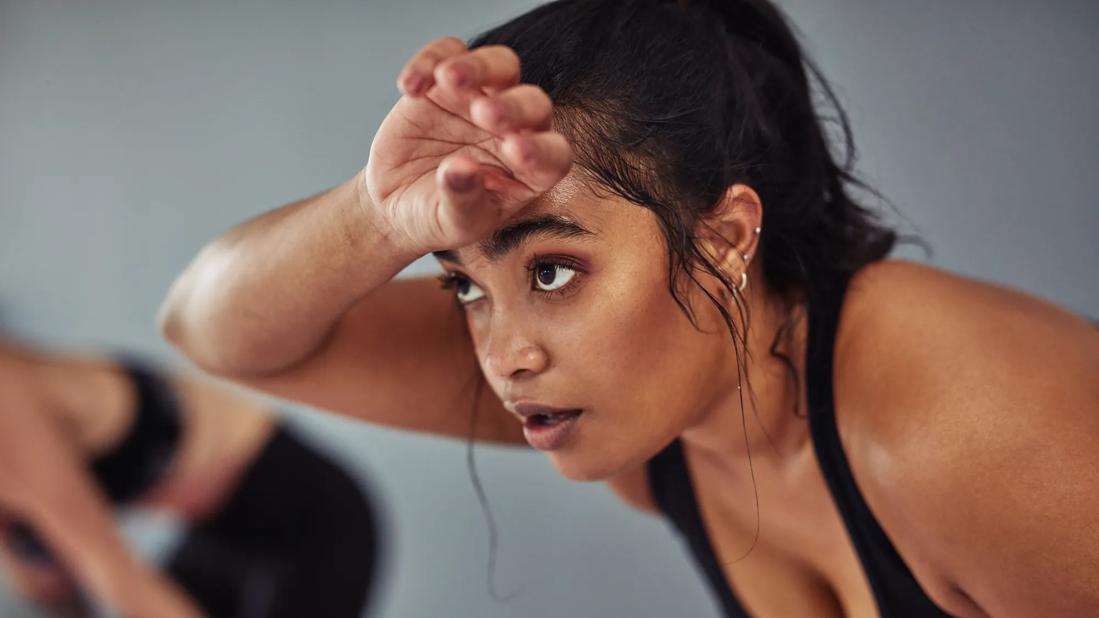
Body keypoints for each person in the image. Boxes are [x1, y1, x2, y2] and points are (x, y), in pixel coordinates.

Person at [157, 0, 1099, 615]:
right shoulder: (646, 395)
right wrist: (375, 216)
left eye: (554, 270)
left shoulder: (970, 423)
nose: (505, 354)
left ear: (726, 238)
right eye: (464, 286)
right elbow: (213, 330)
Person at [0, 335, 381, 618]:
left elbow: (110, 569)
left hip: (307, 519)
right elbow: (49, 585)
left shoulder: (9, 403)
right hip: (217, 539)